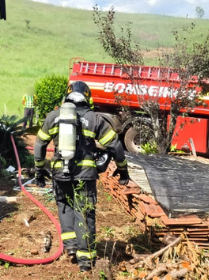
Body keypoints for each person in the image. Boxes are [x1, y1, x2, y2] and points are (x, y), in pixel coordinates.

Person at [33, 81, 129, 273]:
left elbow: (39, 144)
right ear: (88, 97)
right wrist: (123, 169)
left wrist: (39, 171)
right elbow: (115, 145)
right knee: (84, 212)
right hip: (85, 176)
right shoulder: (94, 119)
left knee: (65, 206)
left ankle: (70, 248)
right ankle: (85, 261)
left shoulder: (54, 116)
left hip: (60, 174)